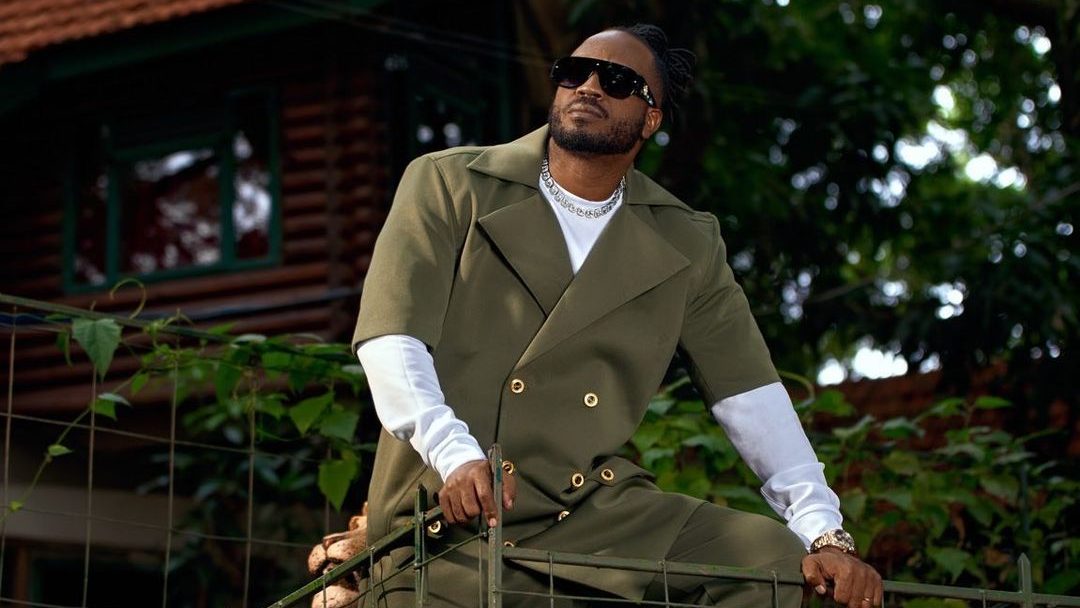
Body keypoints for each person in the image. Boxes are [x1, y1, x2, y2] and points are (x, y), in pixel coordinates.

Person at [352, 23, 883, 608]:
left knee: (770, 560)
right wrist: (455, 453)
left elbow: (751, 395)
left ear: (651, 118)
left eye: (617, 80)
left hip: (582, 509)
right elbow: (391, 338)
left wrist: (823, 532)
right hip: (449, 507)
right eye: (574, 72)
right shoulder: (452, 182)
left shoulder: (685, 240)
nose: (588, 87)